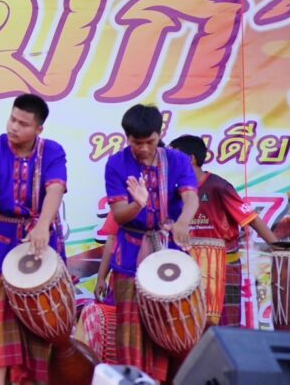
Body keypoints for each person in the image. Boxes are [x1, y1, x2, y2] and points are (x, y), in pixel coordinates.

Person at [0, 94, 67, 385]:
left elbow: (56, 188)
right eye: (12, 119)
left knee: (41, 321)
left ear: (38, 129)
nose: (14, 127)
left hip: (38, 248)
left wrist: (43, 225)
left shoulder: (52, 151)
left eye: (23, 124)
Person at [104, 104, 198, 383]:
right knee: (130, 331)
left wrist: (183, 222)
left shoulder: (177, 161)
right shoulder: (116, 164)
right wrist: (138, 204)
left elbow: (190, 197)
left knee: (169, 325)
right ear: (127, 138)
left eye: (150, 141)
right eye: (137, 142)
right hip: (129, 256)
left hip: (169, 252)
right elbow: (119, 215)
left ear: (160, 134)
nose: (144, 148)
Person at [172, 134, 277, 327]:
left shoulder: (218, 186)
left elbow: (251, 219)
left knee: (226, 324)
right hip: (188, 267)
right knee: (190, 325)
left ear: (190, 159)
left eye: (174, 157)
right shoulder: (175, 192)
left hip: (224, 265)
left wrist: (279, 248)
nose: (170, 163)